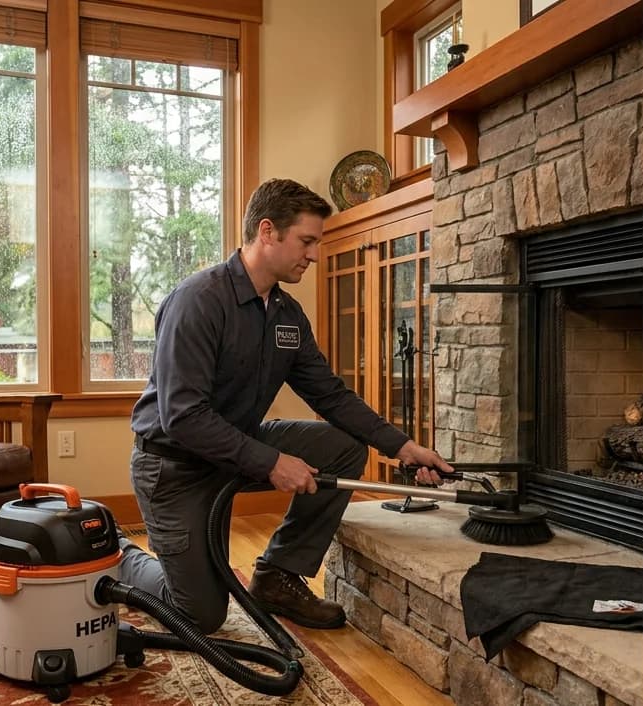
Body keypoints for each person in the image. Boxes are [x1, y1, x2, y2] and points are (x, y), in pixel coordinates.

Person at [120, 178, 452, 634]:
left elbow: (329, 394)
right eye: (306, 241)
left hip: (234, 446)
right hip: (176, 466)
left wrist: (403, 447)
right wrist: (272, 462)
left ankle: (277, 575)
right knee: (200, 614)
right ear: (268, 231)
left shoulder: (286, 314)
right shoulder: (198, 301)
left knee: (341, 448)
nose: (314, 255)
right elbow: (183, 417)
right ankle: (121, 555)